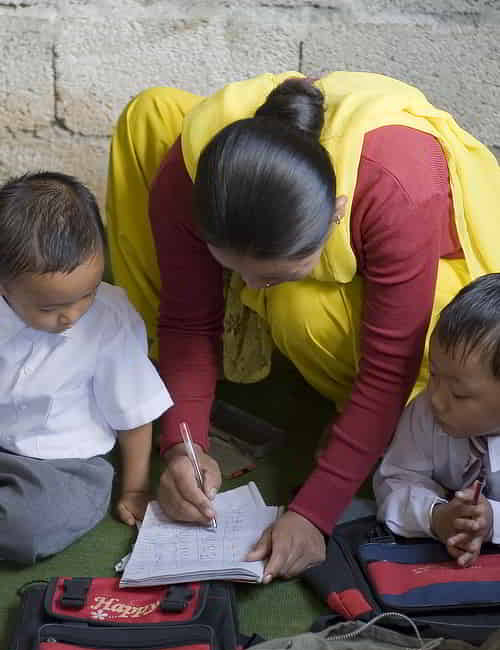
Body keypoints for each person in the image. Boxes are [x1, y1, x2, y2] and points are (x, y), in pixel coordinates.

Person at [106, 71, 500, 581]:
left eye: (266, 276)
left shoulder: (395, 186)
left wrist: (315, 513)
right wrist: (185, 444)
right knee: (149, 115)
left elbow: (390, 366)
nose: (243, 290)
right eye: (231, 269)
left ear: (337, 215)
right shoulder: (191, 181)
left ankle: (364, 426)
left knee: (302, 311)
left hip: (446, 281)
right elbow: (187, 319)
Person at [0, 172, 172, 564]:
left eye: (88, 294)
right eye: (50, 308)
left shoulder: (111, 320)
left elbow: (134, 415)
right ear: (3, 286)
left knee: (30, 525)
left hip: (65, 466)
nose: (72, 315)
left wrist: (134, 489)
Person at [374, 274, 500, 567]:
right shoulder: (425, 413)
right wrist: (436, 516)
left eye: (458, 393)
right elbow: (394, 479)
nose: (436, 398)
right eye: (433, 374)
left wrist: (492, 519)